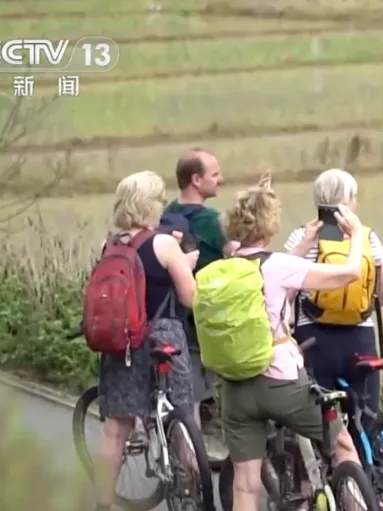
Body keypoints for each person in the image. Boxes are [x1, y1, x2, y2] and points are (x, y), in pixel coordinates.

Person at [218, 178, 364, 511]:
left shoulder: (225, 267)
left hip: (236, 387)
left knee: (245, 486)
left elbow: (270, 270)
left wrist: (302, 245)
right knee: (341, 445)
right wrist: (355, 235)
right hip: (280, 381)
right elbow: (349, 273)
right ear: (270, 225)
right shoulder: (280, 267)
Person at [94, 171, 199, 511]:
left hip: (122, 342)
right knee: (182, 417)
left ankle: (102, 504)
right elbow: (189, 298)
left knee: (115, 430)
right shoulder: (163, 244)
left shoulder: (108, 246)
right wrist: (185, 265)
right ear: (151, 204)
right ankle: (191, 493)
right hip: (162, 339)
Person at [284, 168, 383, 434]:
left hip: (314, 340)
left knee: (321, 424)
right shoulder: (368, 239)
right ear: (350, 201)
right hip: (361, 338)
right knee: (366, 422)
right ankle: (367, 470)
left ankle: (330, 472)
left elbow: (283, 291)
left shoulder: (302, 238)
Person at [163, 148, 240, 409]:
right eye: (215, 174)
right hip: (205, 314)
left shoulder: (167, 213)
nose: (220, 179)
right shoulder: (213, 221)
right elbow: (241, 256)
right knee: (196, 395)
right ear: (196, 180)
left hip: (169, 313)